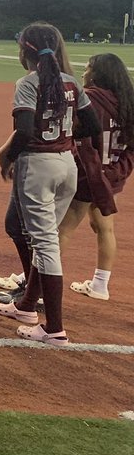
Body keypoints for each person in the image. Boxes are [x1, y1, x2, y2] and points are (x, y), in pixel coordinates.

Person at [0, 23, 100, 345]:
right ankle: (27, 307)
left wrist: (8, 157)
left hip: (39, 164)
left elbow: (25, 130)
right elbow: (92, 125)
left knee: (45, 244)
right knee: (46, 238)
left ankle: (54, 328)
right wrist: (65, 137)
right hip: (66, 163)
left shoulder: (28, 82)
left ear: (25, 50)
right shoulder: (70, 81)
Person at [64, 53, 134, 301]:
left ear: (97, 74)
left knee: (62, 229)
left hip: (87, 173)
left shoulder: (89, 99)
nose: (84, 73)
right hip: (111, 175)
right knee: (104, 228)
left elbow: (76, 136)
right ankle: (101, 284)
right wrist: (115, 171)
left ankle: (37, 282)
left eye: (87, 68)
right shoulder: (127, 102)